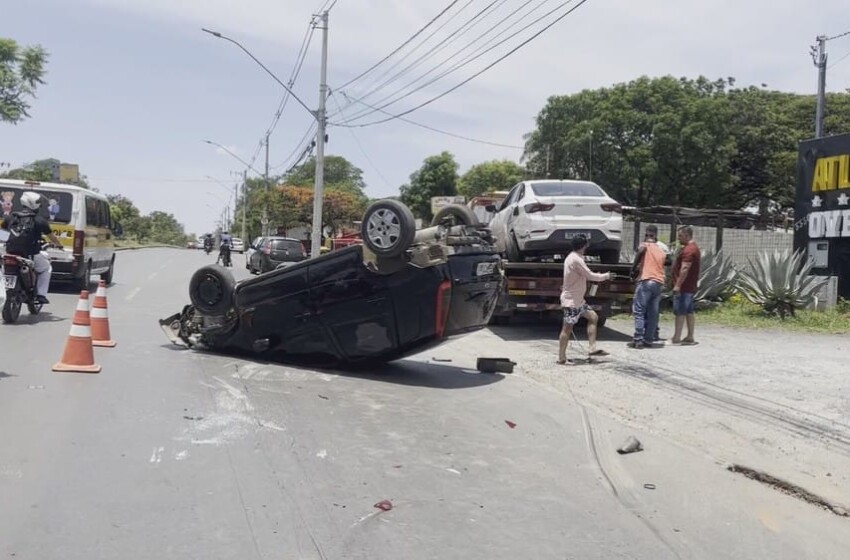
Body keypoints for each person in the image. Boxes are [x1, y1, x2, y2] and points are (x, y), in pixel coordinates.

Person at [0, 191, 64, 304]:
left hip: (9, 252)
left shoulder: (10, 217)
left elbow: (2, 233)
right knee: (46, 268)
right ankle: (41, 295)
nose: (40, 206)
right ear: (33, 204)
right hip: (30, 254)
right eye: (38, 203)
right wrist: (59, 245)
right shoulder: (39, 220)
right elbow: (52, 237)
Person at [558, 235, 612, 365]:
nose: (587, 247)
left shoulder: (574, 257)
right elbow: (590, 276)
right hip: (571, 301)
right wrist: (606, 276)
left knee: (593, 317)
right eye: (586, 244)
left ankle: (592, 348)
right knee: (567, 328)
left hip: (578, 301)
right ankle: (561, 357)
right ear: (583, 246)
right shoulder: (576, 259)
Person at [629, 225, 666, 349]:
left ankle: (638, 339)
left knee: (639, 310)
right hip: (658, 283)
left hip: (646, 281)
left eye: (649, 235)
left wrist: (633, 269)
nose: (647, 238)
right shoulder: (661, 250)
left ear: (654, 236)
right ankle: (649, 339)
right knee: (653, 313)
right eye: (647, 235)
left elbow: (640, 251)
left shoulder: (644, 245)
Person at [671, 226, 701, 345]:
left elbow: (685, 268)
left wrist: (677, 285)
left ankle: (676, 337)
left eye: (680, 236)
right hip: (689, 286)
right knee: (689, 311)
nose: (678, 238)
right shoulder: (693, 248)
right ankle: (690, 336)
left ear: (687, 235)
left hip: (684, 287)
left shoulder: (689, 250)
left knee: (680, 311)